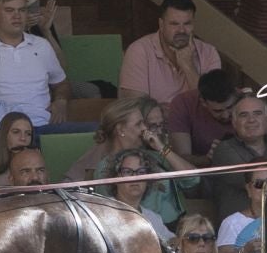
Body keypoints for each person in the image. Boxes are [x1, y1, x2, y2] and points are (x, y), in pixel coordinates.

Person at [71, 95, 196, 228]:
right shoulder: (106, 168)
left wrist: (161, 148)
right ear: (121, 130)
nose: (144, 129)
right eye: (139, 124)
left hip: (179, 224)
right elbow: (112, 216)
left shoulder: (154, 155)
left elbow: (193, 179)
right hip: (147, 230)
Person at [0, 0, 68, 127]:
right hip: (1, 131)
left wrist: (61, 101)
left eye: (22, 10)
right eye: (9, 10)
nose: (17, 16)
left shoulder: (42, 45)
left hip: (44, 126)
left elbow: (61, 83)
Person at [205, 92, 267, 222]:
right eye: (243, 115)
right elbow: (258, 179)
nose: (251, 120)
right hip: (240, 233)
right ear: (234, 122)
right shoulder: (224, 150)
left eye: (258, 113)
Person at [118, 0, 221, 107]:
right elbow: (136, 107)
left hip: (196, 125)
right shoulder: (139, 51)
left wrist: (188, 66)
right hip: (156, 124)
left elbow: (213, 105)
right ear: (161, 24)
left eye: (187, 24)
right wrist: (179, 114)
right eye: (174, 24)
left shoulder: (209, 52)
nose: (181, 30)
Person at [99, 147, 173, 241]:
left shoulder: (153, 218)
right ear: (114, 177)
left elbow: (172, 242)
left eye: (141, 172)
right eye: (127, 172)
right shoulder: (102, 211)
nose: (135, 177)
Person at [167, 67, 237, 164]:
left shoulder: (247, 102)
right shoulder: (183, 104)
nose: (225, 115)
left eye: (230, 108)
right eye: (218, 111)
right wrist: (208, 159)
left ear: (236, 96)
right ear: (203, 102)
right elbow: (181, 158)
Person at [0, 111, 36, 184]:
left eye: (28, 134)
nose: (23, 138)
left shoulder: (37, 168)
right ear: (4, 135)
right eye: (16, 132)